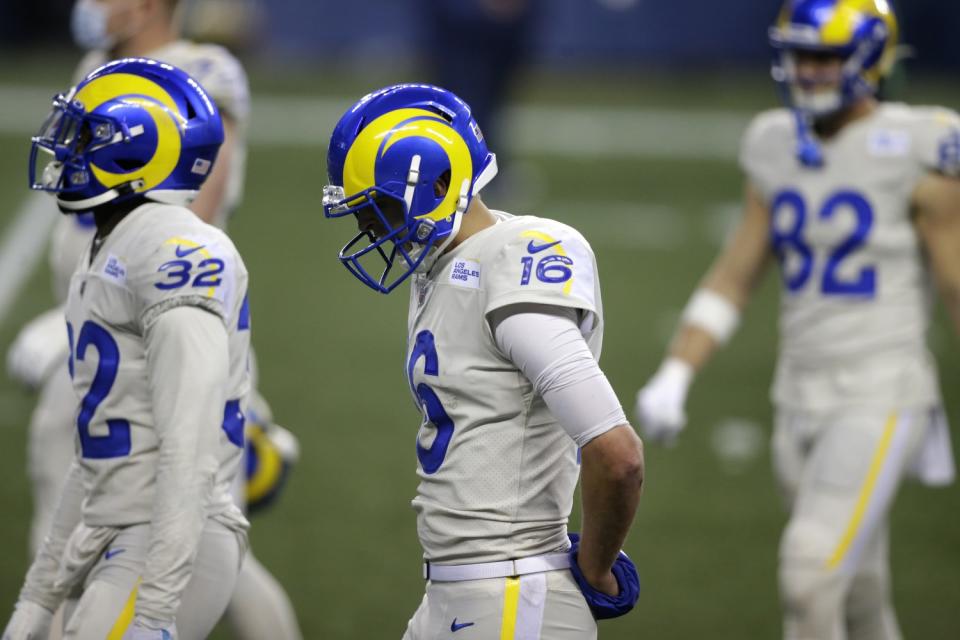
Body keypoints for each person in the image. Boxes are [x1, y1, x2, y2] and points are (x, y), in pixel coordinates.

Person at [634, 1, 960, 638]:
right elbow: (735, 275)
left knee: (808, 574)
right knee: (858, 589)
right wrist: (676, 372)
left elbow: (955, 282)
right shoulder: (774, 143)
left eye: (825, 57)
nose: (807, 71)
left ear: (870, 57)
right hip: (797, 395)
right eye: (799, 54)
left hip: (880, 389)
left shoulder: (921, 145)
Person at [5, 1, 303, 637]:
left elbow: (192, 203)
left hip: (167, 316)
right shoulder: (101, 66)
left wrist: (155, 616)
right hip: (100, 312)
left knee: (184, 502)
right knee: (106, 492)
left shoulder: (198, 78)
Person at [322, 84, 644, 639]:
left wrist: (593, 568)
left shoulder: (510, 257)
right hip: (460, 594)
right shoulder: (443, 268)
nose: (372, 230)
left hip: (513, 594)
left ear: (440, 182)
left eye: (380, 208)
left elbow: (618, 455)